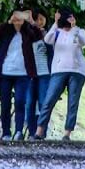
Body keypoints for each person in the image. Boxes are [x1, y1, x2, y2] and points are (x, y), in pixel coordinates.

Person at [33, 8, 85, 141]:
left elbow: (82, 42)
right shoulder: (56, 31)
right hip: (58, 70)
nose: (67, 21)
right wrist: (56, 23)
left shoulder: (80, 31)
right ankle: (39, 131)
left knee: (73, 103)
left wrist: (74, 27)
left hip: (77, 71)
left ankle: (67, 133)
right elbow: (47, 39)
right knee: (49, 100)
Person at [0, 9, 43, 141]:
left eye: (22, 16)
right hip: (5, 72)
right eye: (17, 16)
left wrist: (31, 21)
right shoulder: (6, 31)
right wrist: (9, 22)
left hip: (23, 73)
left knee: (20, 101)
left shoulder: (28, 32)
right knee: (5, 104)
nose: (19, 19)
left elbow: (39, 36)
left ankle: (19, 131)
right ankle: (6, 133)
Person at [23, 9, 52, 137]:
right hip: (30, 74)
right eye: (37, 19)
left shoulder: (49, 35)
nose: (40, 22)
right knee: (29, 104)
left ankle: (41, 133)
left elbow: (52, 51)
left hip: (45, 74)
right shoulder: (28, 35)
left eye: (42, 19)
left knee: (43, 103)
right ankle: (31, 132)